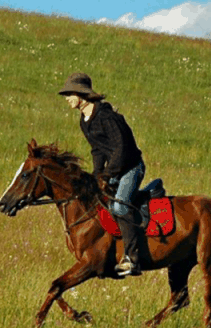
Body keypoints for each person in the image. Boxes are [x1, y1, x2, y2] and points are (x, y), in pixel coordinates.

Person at [59, 72, 145, 277]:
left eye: (69, 93)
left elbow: (121, 149)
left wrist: (107, 175)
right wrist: (96, 175)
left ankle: (132, 259)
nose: (67, 98)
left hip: (131, 168)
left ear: (81, 94)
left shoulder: (107, 117)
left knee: (119, 205)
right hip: (114, 170)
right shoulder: (84, 120)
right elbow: (97, 150)